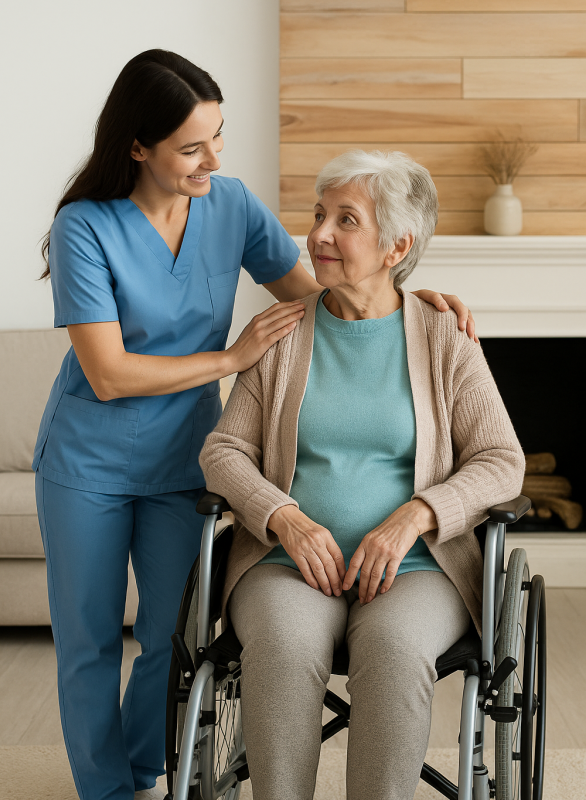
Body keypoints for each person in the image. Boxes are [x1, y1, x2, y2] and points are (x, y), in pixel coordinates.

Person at [33, 49, 477, 800]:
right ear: (137, 147)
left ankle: (145, 769)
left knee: (170, 643)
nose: (213, 158)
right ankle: (105, 792)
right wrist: (231, 356)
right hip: (89, 461)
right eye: (191, 147)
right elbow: (106, 373)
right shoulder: (85, 226)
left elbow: (328, 289)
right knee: (89, 642)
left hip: (185, 463)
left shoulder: (230, 205)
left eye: (219, 136)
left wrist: (410, 291)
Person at [199, 150, 525, 800]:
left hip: (416, 568)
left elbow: (502, 461)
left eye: (345, 220)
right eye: (319, 214)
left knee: (397, 652)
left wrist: (416, 516)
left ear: (395, 245)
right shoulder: (283, 335)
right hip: (285, 561)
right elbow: (223, 452)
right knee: (285, 650)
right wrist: (284, 518)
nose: (318, 234)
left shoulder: (442, 336)